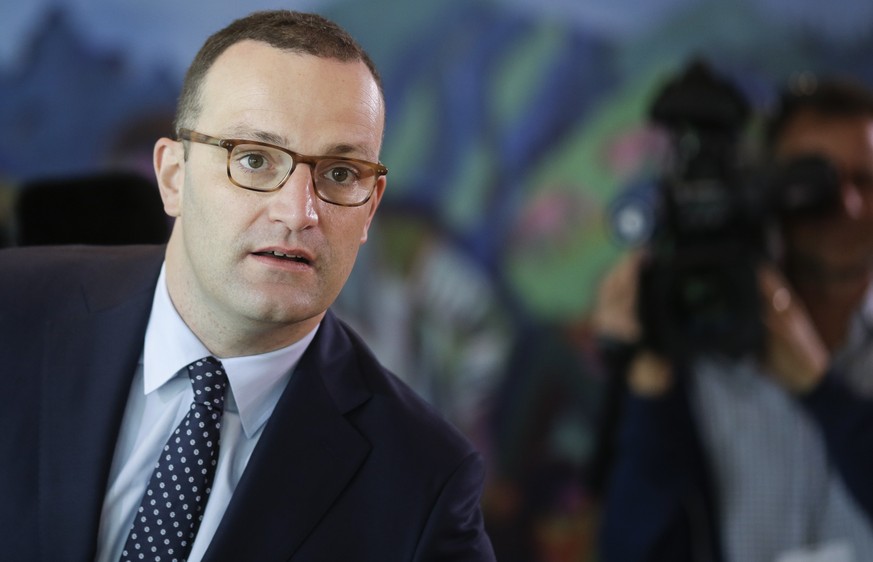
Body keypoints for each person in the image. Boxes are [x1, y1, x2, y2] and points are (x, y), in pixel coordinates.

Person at [0, 10, 495, 561]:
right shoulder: (12, 312)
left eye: (339, 174)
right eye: (254, 159)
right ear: (173, 178)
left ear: (371, 207)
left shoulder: (425, 482)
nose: (298, 212)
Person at [594, 76, 873, 561]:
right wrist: (648, 385)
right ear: (769, 190)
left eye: (866, 181)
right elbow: (632, 550)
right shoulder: (695, 347)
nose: (846, 206)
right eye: (816, 184)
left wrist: (822, 392)